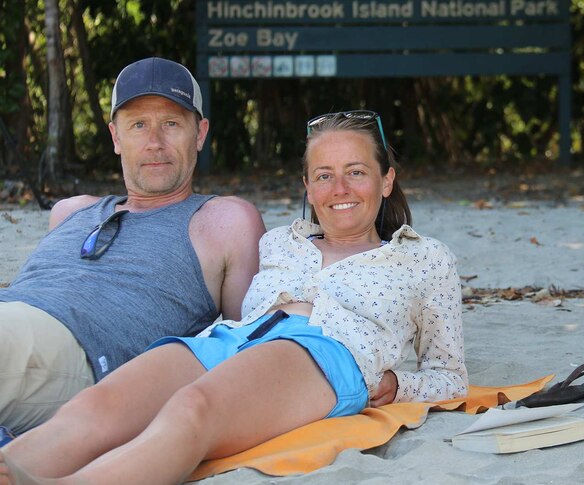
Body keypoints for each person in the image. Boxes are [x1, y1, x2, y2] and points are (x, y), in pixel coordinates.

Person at [0, 110, 467, 484]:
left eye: (356, 172)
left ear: (386, 180)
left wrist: (398, 385)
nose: (339, 189)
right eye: (323, 176)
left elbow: (450, 375)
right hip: (230, 338)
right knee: (98, 406)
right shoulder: (280, 242)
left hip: (326, 354)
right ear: (307, 187)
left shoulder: (425, 259)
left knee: (191, 410)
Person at [0, 57, 266, 436]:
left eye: (171, 124)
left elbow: (250, 349)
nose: (155, 142)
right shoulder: (70, 211)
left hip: (80, 357)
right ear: (116, 137)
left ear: (201, 133)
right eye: (139, 125)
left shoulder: (225, 221)